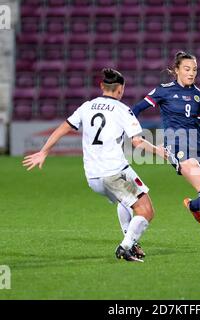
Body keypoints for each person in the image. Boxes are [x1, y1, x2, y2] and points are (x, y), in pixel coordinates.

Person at [22, 68, 166, 262]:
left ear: (101, 86)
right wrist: (158, 150)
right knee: (146, 210)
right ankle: (125, 246)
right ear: (121, 89)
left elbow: (64, 127)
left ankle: (132, 243)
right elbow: (137, 142)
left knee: (124, 200)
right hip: (114, 173)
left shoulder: (87, 106)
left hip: (93, 178)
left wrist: (44, 151)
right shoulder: (123, 110)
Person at [131, 51, 200, 251]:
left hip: (199, 147)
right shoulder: (164, 90)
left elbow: (199, 124)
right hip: (177, 147)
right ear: (176, 70)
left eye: (194, 69)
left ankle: (193, 206)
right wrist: (134, 133)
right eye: (187, 69)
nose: (191, 73)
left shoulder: (199, 95)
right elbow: (135, 109)